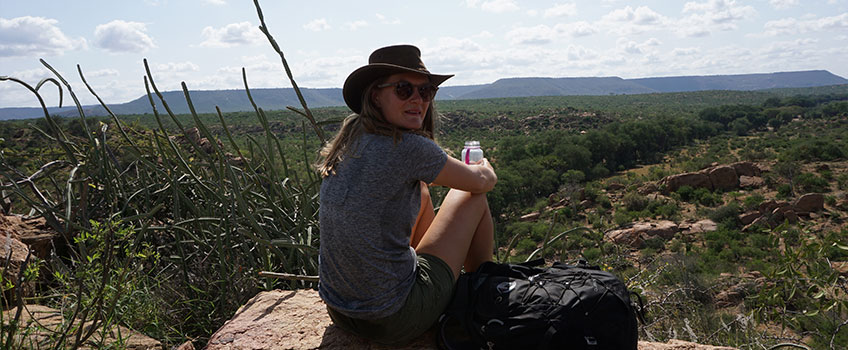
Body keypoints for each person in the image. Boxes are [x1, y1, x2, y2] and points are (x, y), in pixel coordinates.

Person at [315, 44, 497, 345]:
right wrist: (485, 167)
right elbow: (478, 183)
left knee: (421, 191)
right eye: (403, 89)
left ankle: (434, 283)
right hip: (393, 317)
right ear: (376, 95)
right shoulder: (407, 147)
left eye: (425, 91)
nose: (417, 100)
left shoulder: (353, 137)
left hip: (341, 311)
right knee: (471, 198)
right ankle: (483, 296)